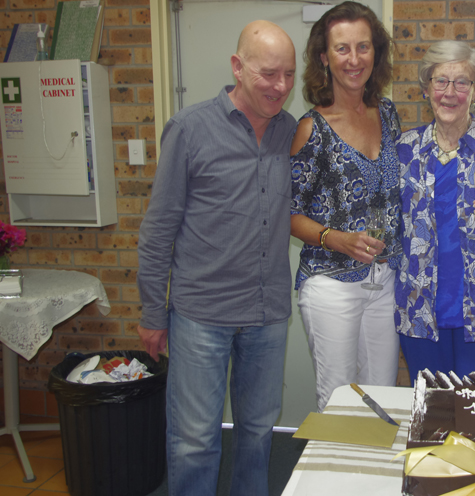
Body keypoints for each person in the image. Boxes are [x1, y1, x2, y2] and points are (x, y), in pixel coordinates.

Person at [136, 21, 296, 496]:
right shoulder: (189, 129)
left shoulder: (290, 131)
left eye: (288, 74)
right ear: (237, 67)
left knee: (259, 433)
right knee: (194, 441)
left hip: (267, 314)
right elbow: (158, 229)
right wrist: (152, 312)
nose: (280, 86)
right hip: (201, 315)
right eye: (269, 74)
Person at [290, 1, 401, 412]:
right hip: (331, 285)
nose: (354, 59)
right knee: (339, 404)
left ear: (376, 53)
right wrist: (337, 239)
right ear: (324, 57)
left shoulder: (387, 114)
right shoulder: (311, 129)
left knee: (382, 400)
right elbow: (288, 214)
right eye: (342, 48)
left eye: (363, 47)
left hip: (384, 279)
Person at [396, 40, 475, 384]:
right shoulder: (406, 150)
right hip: (421, 310)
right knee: (431, 408)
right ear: (427, 88)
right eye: (441, 81)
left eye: (462, 82)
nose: (450, 92)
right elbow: (394, 229)